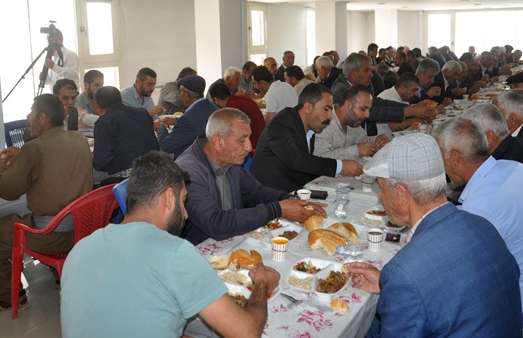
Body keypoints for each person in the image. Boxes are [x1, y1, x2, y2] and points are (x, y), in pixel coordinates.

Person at [60, 151, 280, 338]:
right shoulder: (176, 253)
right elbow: (247, 332)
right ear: (168, 198)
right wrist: (261, 284)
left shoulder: (80, 249)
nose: (185, 215)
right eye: (183, 201)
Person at [349, 133, 522, 337]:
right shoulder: (483, 226)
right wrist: (389, 287)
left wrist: (400, 286)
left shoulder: (405, 273)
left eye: (382, 188)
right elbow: (450, 289)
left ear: (401, 194)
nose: (380, 196)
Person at [0, 94, 93, 313]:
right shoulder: (78, 139)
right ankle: (60, 274)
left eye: (32, 111)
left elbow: (7, 191)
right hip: (83, 229)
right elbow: (53, 160)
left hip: (50, 236)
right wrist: (22, 155)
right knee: (22, 218)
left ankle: (9, 297)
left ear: (43, 118)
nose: (28, 116)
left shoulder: (34, 148)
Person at [436, 118, 523, 322]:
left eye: (439, 157)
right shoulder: (510, 166)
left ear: (455, 158)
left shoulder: (482, 206)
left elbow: (463, 275)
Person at [176, 108, 327, 245]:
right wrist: (277, 209)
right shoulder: (189, 172)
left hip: (230, 241)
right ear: (218, 141)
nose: (248, 147)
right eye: (242, 140)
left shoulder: (228, 161)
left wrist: (293, 200)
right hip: (198, 251)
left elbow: (256, 193)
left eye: (249, 138)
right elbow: (217, 223)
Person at [250, 83, 363, 192]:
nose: (330, 116)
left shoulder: (309, 128)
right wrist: (340, 166)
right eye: (326, 109)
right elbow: (296, 160)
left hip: (293, 190)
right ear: (308, 107)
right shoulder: (281, 124)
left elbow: (306, 166)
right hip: (268, 196)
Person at [92, 86, 160, 184]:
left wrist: (92, 157)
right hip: (157, 173)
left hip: (128, 181)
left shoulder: (104, 122)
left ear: (97, 106)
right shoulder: (142, 113)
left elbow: (102, 163)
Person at [315, 84, 389, 159]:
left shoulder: (352, 121)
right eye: (363, 109)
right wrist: (356, 150)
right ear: (348, 105)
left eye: (369, 110)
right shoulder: (323, 123)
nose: (367, 115)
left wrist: (378, 140)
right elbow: (320, 157)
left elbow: (362, 141)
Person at [156, 75, 217, 158]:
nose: (180, 95)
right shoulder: (213, 108)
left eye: (181, 92)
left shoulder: (187, 119)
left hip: (192, 161)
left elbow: (167, 146)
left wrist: (160, 128)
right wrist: (177, 121)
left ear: (187, 95)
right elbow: (198, 122)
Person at [208, 82, 265, 149]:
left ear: (216, 100)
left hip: (253, 147)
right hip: (263, 140)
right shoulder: (245, 98)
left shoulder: (231, 109)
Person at [43, 28, 80, 92]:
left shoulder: (70, 55)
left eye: (51, 39)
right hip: (55, 95)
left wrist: (54, 67)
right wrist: (44, 78)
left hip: (69, 95)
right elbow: (51, 81)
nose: (49, 43)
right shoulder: (52, 57)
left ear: (60, 39)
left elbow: (73, 75)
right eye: (48, 40)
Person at [75, 69, 103, 136]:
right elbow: (84, 119)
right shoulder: (77, 101)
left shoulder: (103, 99)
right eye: (96, 85)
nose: (100, 89)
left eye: (102, 85)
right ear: (86, 85)